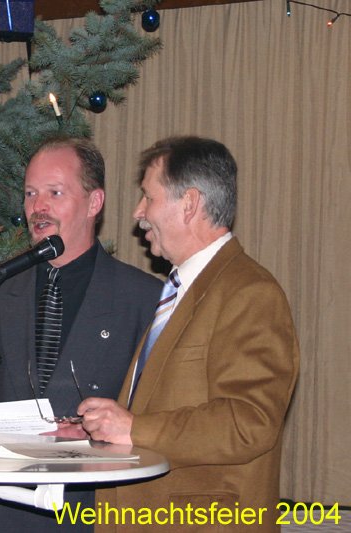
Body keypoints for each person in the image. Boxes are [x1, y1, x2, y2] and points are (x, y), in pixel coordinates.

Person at [0, 135, 162, 532]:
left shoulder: (143, 298)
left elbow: (160, 412)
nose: (38, 207)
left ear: (94, 203)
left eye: (54, 193)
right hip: (1, 507)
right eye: (30, 194)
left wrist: (100, 431)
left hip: (93, 510)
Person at [78, 136, 300, 532]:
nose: (138, 212)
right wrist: (97, 430)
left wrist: (133, 428)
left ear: (189, 203)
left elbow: (249, 422)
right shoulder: (180, 291)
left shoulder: (250, 292)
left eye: (149, 197)